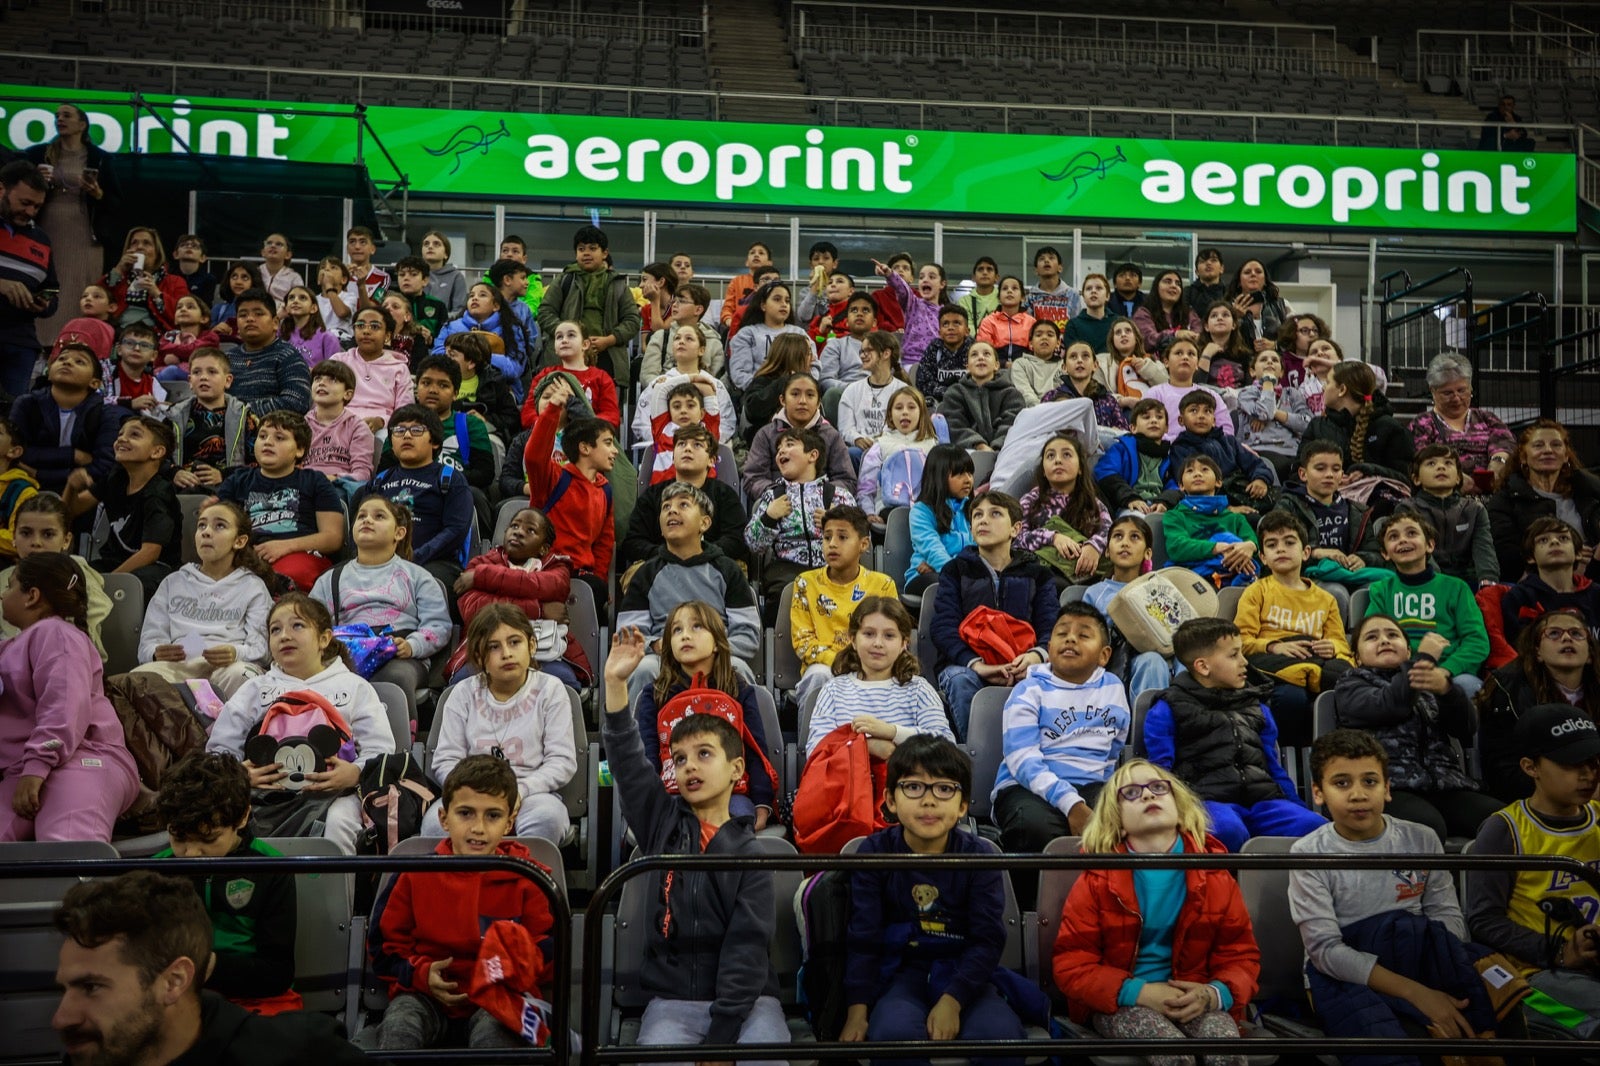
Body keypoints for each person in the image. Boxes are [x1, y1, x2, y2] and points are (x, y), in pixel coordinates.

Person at [602, 625, 791, 1056]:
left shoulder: (750, 856)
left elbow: (746, 949)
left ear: (737, 770)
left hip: (748, 1004)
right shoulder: (659, 823)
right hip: (672, 1002)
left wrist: (722, 1035)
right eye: (680, 757)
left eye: (705, 754)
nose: (690, 766)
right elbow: (628, 763)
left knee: (765, 1054)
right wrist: (615, 684)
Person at [1290, 730, 1518, 1057]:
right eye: (1341, 783)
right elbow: (1325, 951)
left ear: (1387, 789)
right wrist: (1416, 993)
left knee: (1502, 992)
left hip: (1422, 952)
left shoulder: (1422, 839)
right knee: (1394, 1043)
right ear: (1318, 793)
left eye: (1369, 781)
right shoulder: (1307, 852)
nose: (1357, 794)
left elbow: (1449, 918)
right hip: (1343, 973)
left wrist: (1430, 964)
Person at [1054, 760, 1260, 1060]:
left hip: (1195, 997)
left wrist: (1213, 994)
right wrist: (1140, 993)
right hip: (1122, 1001)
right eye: (1132, 793)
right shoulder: (1096, 879)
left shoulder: (1215, 874)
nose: (1148, 796)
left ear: (1179, 806)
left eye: (1158, 788)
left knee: (1224, 1051)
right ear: (1118, 820)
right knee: (1174, 1055)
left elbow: (1241, 956)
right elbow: (1072, 964)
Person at [52, 870, 371, 1063]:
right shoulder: (92, 1055)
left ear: (174, 981)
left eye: (91, 987)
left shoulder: (298, 1054)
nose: (60, 1018)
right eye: (64, 990)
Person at [838, 736, 1026, 1062]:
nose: (928, 801)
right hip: (899, 973)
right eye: (913, 787)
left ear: (963, 805)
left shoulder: (980, 856)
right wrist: (857, 1011)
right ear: (890, 800)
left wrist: (952, 1000)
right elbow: (864, 937)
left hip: (966, 974)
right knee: (893, 1037)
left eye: (944, 789)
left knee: (1001, 1038)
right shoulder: (873, 853)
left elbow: (986, 940)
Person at [370, 755, 557, 1051]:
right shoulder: (414, 875)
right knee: (399, 1028)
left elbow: (549, 951)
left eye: (493, 816)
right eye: (466, 813)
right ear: (444, 818)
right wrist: (421, 974)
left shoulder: (529, 878)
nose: (478, 828)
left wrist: (517, 964)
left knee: (494, 1040)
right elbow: (383, 950)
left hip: (499, 998)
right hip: (423, 996)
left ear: (510, 822)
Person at [207, 593, 395, 853]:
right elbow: (218, 751)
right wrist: (240, 776)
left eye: (297, 625)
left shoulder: (354, 687)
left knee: (339, 823)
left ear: (324, 639)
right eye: (275, 630)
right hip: (263, 796)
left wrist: (354, 773)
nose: (285, 635)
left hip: (335, 794)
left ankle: (335, 894)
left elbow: (381, 749)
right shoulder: (253, 690)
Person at [1467, 705, 1600, 1038]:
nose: (1588, 773)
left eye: (1594, 761)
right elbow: (1483, 920)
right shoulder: (1505, 829)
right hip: (1536, 974)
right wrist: (1559, 948)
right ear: (1530, 767)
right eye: (1571, 763)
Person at [1143, 617, 1326, 851]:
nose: (1244, 662)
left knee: (1317, 828)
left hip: (1263, 801)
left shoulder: (1257, 706)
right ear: (1203, 666)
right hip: (1205, 801)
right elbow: (1161, 770)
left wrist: (1296, 806)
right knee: (1229, 831)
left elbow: (1273, 766)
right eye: (1234, 655)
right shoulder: (1168, 707)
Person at [0, 551, 138, 841]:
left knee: (68, 850)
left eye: (10, 586)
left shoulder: (57, 633)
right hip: (24, 769)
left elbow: (63, 707)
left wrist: (36, 768)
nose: (3, 595)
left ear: (31, 596)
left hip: (82, 759)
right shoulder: (10, 647)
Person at [1333, 615, 1501, 843]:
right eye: (1372, 637)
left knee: (1504, 823)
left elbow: (1466, 729)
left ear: (1408, 651)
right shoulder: (1351, 684)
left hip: (1446, 784)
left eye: (1392, 635)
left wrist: (1448, 691)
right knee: (1425, 830)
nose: (1384, 641)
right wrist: (1425, 660)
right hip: (1389, 788)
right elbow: (1394, 704)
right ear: (1357, 657)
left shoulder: (1429, 685)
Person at [154, 751, 300, 1014]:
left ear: (243, 817)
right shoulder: (155, 871)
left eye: (209, 840)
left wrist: (207, 966)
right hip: (177, 995)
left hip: (254, 1000)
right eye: (179, 839)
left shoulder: (272, 868)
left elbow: (277, 973)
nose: (191, 854)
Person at [424, 606, 576, 842]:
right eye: (494, 647)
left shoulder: (551, 690)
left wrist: (520, 791)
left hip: (531, 793)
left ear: (532, 646)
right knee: (435, 824)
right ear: (479, 657)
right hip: (471, 793)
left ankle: (527, 879)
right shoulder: (462, 694)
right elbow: (446, 760)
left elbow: (561, 761)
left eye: (515, 642)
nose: (506, 653)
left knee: (547, 818)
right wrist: (475, 795)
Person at [992, 605, 1129, 853]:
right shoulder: (1028, 689)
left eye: (1084, 635)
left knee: (1124, 824)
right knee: (1034, 827)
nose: (1071, 638)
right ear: (1049, 647)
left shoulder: (1113, 688)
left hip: (1092, 785)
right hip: (1026, 787)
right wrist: (1072, 804)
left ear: (1104, 655)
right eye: (1062, 633)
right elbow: (1022, 759)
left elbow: (1113, 749)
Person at [630, 600, 777, 828]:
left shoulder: (738, 689)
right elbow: (647, 755)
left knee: (736, 824)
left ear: (718, 643)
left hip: (730, 794)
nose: (685, 636)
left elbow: (755, 750)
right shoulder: (655, 694)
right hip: (675, 793)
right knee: (676, 828)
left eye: (697, 627)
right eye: (677, 630)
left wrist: (762, 803)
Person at [616, 482, 761, 709]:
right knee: (643, 670)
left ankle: (743, 743)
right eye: (666, 507)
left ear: (704, 523)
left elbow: (748, 635)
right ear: (661, 528)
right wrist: (658, 646)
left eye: (683, 505)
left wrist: (709, 649)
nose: (672, 511)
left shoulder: (727, 570)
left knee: (739, 671)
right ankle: (638, 744)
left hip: (717, 656)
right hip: (662, 658)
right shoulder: (646, 574)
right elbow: (629, 635)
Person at [930, 490, 1059, 740]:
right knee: (959, 680)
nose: (983, 520)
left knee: (1044, 681)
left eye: (995, 513)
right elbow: (943, 627)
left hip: (1023, 664)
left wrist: (1035, 655)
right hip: (969, 665)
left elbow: (1051, 624)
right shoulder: (956, 570)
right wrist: (977, 664)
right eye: (977, 515)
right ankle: (977, 754)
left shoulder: (1038, 573)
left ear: (1016, 529)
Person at [312, 496, 451, 723]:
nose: (368, 520)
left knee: (394, 678)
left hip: (400, 654)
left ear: (399, 533)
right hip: (347, 654)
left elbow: (439, 625)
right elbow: (313, 626)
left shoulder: (417, 576)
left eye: (379, 516)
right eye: (361, 516)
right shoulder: (329, 580)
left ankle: (399, 748)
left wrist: (412, 645)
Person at [132, 500, 272, 700]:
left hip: (228, 667)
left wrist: (235, 652)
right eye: (202, 525)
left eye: (219, 526)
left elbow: (263, 649)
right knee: (138, 680)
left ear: (239, 541)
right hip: (177, 668)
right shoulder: (173, 582)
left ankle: (224, 729)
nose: (206, 532)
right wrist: (157, 653)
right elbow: (148, 643)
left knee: (245, 676)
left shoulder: (252, 586)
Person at [804, 594, 950, 758]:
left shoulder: (919, 690)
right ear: (853, 639)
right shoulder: (833, 690)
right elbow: (816, 751)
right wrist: (867, 746)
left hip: (904, 781)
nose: (878, 643)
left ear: (904, 643)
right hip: (849, 781)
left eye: (889, 636)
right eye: (869, 634)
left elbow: (945, 746)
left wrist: (891, 732)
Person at [1476, 609, 1600, 801]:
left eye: (1576, 633)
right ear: (1538, 652)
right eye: (1554, 633)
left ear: (1590, 654)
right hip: (1537, 802)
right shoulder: (1508, 692)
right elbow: (1505, 772)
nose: (1567, 638)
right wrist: (1577, 792)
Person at [215, 410, 345, 592]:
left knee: (292, 575)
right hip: (248, 556)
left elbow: (332, 538)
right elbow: (219, 529)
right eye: (262, 436)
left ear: (299, 450)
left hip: (299, 554)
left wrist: (285, 546)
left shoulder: (315, 481)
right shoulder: (237, 480)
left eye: (280, 438)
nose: (268, 442)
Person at [1364, 512, 1489, 697]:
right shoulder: (1381, 591)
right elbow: (1370, 636)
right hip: (1396, 674)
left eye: (1411, 533)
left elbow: (1476, 641)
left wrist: (1445, 670)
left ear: (1430, 545)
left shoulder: (1456, 588)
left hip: (1449, 674)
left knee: (1467, 687)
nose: (1403, 540)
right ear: (1385, 553)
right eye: (1393, 537)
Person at [65, 414, 181, 601]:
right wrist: (71, 487)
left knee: (135, 583)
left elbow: (150, 552)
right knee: (71, 575)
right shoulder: (115, 477)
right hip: (114, 562)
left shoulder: (159, 493)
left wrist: (108, 582)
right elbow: (71, 510)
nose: (121, 438)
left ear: (157, 452)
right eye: (120, 434)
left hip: (157, 569)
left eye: (134, 435)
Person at [26, 105, 115, 348]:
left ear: (82, 124)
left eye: (66, 115)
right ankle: (40, 342)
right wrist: (37, 181)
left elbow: (116, 201)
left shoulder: (101, 158)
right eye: (56, 116)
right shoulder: (37, 154)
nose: (59, 119)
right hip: (47, 225)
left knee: (78, 285)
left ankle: (75, 341)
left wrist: (98, 193)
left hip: (84, 230)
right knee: (46, 281)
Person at [790, 505, 898, 706]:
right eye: (827, 537)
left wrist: (864, 663)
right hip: (824, 666)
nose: (832, 544)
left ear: (864, 544)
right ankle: (812, 738)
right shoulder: (806, 583)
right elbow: (803, 642)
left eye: (842, 537)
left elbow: (893, 634)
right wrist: (840, 661)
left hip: (871, 665)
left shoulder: (883, 585)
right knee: (818, 676)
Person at [1235, 511, 1353, 692]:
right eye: (1272, 545)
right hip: (1275, 659)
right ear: (1264, 558)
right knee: (1291, 696)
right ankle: (1309, 677)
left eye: (1289, 542)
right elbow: (1242, 641)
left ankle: (1312, 675)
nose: (1280, 549)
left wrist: (1331, 646)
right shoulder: (1256, 591)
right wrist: (1274, 647)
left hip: (1313, 656)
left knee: (1343, 673)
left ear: (1306, 552)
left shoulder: (1326, 599)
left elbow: (1340, 643)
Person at [523, 385, 616, 604]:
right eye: (608, 443)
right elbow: (534, 456)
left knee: (597, 591)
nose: (615, 451)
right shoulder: (555, 478)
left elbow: (604, 543)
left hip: (582, 579)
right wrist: (553, 408)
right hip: (544, 570)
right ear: (585, 448)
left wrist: (599, 579)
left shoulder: (605, 490)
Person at [1486, 419, 1600, 583]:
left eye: (1556, 445)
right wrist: (1567, 553)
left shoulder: (1589, 493)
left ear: (1566, 455)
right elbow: (1506, 553)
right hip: (1534, 582)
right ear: (1523, 457)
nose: (1548, 450)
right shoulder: (1506, 499)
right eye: (1538, 445)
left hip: (1593, 577)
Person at [620, 423, 747, 570]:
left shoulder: (724, 495)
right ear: (673, 458)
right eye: (681, 444)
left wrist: (699, 554)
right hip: (660, 565)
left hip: (713, 564)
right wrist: (668, 555)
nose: (687, 448)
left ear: (711, 460)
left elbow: (736, 539)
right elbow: (633, 541)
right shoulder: (653, 495)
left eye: (697, 445)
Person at [0, 492, 109, 657]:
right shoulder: (3, 578)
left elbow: (87, 649)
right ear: (13, 537)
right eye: (26, 533)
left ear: (66, 540)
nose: (35, 542)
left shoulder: (78, 577)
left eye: (48, 534)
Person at [13, 332, 124, 493]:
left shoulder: (106, 414)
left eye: (79, 362)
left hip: (81, 494)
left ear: (94, 383)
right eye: (62, 359)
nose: (68, 363)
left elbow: (105, 466)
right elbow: (15, 452)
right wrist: (73, 455)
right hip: (26, 487)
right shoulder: (26, 404)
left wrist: (40, 474)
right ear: (49, 373)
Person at [1273, 441, 1385, 596]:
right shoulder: (1288, 507)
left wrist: (1362, 559)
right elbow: (1277, 549)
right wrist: (1316, 553)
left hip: (1350, 575)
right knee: (1335, 592)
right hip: (1306, 576)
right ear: (1303, 474)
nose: (1329, 475)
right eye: (1320, 468)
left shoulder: (1358, 511)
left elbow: (1377, 553)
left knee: (1375, 590)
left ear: (1342, 475)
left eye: (1336, 469)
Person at [1084, 515, 1176, 702]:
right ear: (1107, 551)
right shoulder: (1095, 593)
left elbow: (1175, 637)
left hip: (1153, 660)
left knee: (1153, 661)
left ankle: (1151, 727)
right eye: (1118, 536)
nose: (1125, 543)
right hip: (1110, 663)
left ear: (1148, 553)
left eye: (1134, 537)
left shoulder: (1160, 590)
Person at [535, 225, 640, 384]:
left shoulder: (617, 285)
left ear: (605, 253)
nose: (586, 253)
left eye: (592, 248)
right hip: (565, 356)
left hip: (607, 356)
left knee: (604, 407)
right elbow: (545, 312)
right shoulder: (564, 280)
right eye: (581, 249)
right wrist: (568, 336)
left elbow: (632, 320)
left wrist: (609, 340)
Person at [1407, 352, 1514, 490]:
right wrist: (1456, 478)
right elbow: (1422, 460)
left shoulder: (1487, 419)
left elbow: (1505, 444)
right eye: (1448, 393)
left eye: (1462, 390)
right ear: (1433, 391)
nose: (1457, 399)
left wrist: (1498, 462)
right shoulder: (1422, 424)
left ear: (1470, 387)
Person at [1013, 430, 1109, 584]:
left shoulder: (1093, 503)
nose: (1057, 460)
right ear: (1043, 470)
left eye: (1066, 455)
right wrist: (1053, 538)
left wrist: (1094, 547)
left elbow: (1109, 531)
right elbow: (1015, 538)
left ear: (1080, 468)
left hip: (1088, 574)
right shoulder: (1030, 500)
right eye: (1050, 456)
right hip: (1043, 573)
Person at [742, 371, 855, 502]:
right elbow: (753, 478)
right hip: (778, 506)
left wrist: (820, 495)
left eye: (810, 395)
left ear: (819, 402)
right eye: (795, 394)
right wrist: (780, 494)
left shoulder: (831, 436)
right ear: (782, 400)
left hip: (821, 511)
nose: (802, 401)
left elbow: (847, 480)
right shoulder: (766, 435)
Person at [1399, 443, 1498, 587]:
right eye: (1431, 463)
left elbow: (1484, 550)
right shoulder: (1407, 509)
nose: (1441, 467)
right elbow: (1419, 555)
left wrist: (1488, 583)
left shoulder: (1474, 509)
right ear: (1416, 479)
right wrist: (1441, 584)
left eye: (1448, 463)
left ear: (1458, 478)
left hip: (1468, 581)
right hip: (1427, 582)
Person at [0, 161, 58, 400]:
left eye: (37, 206)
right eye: (25, 203)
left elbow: (52, 291)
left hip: (21, 344)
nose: (31, 212)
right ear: (2, 190)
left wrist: (45, 304)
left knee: (11, 423)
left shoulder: (42, 239)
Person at [1301, 360, 1414, 483]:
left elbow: (1406, 478)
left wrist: (1368, 472)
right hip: (1325, 499)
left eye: (1328, 383)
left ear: (1342, 389)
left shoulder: (1390, 428)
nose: (1323, 388)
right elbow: (1298, 472)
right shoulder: (1317, 426)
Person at [1498, 518, 1600, 651]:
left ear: (1578, 553)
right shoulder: (1519, 597)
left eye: (1563, 538)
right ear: (1530, 557)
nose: (1554, 542)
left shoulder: (1596, 594)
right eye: (1543, 540)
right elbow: (1521, 649)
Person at [1167, 390, 1272, 514]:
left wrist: (1261, 479)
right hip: (1214, 505)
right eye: (1194, 410)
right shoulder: (1180, 449)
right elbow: (1191, 486)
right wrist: (1225, 509)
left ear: (1214, 420)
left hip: (1246, 493)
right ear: (1181, 420)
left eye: (1207, 411)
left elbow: (1255, 464)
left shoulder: (1229, 442)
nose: (1201, 416)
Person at [1162, 455, 1259, 588]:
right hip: (1192, 581)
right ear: (1181, 486)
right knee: (1226, 538)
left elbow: (1252, 541)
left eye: (1205, 469)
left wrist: (1249, 547)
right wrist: (1216, 548)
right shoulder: (1175, 516)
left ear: (1218, 482)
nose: (1197, 474)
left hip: (1233, 575)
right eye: (1190, 471)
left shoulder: (1235, 518)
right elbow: (1177, 547)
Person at [165, 347, 253, 492]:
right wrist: (174, 472)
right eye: (196, 372)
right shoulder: (174, 415)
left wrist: (223, 475)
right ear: (190, 381)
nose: (203, 377)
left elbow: (258, 463)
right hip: (182, 489)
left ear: (228, 381)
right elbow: (157, 455)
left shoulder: (244, 417)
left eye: (212, 372)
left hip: (229, 489)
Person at [221, 288, 313, 416]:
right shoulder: (227, 358)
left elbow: (296, 402)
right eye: (243, 315)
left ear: (275, 323)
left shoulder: (288, 356)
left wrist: (243, 414)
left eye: (258, 314)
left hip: (271, 431)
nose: (250, 319)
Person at [523, 318, 620, 431]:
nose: (564, 340)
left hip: (588, 438)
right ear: (555, 348)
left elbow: (611, 416)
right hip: (549, 437)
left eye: (571, 335)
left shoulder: (601, 377)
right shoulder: (545, 375)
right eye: (559, 337)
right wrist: (546, 426)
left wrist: (586, 427)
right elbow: (528, 413)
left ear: (585, 344)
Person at [905, 443, 974, 595]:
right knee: (946, 585)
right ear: (939, 476)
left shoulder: (973, 510)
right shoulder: (921, 511)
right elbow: (933, 550)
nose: (968, 479)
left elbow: (978, 550)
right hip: (923, 576)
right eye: (959, 474)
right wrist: (950, 570)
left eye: (970, 473)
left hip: (960, 574)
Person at [331, 305, 413, 432]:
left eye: (374, 326)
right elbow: (324, 401)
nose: (366, 331)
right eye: (360, 325)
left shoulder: (399, 368)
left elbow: (405, 411)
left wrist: (381, 421)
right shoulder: (339, 361)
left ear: (387, 336)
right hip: (339, 424)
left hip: (382, 429)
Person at [305, 359, 376, 501]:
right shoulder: (300, 425)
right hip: (304, 484)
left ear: (347, 394)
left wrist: (335, 478)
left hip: (338, 487)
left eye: (332, 380)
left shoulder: (358, 427)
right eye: (317, 378)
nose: (322, 383)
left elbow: (362, 473)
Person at [1234, 348, 1309, 481]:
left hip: (1290, 452)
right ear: (1252, 371)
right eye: (1263, 360)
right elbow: (1264, 413)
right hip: (1257, 451)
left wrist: (1276, 413)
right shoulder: (1247, 393)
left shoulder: (1292, 393)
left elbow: (1307, 424)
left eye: (1274, 360)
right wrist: (1268, 383)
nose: (1269, 362)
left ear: (1281, 373)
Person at [1093, 399, 1175, 516]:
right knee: (1138, 519)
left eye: (1159, 417)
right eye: (1146, 417)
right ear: (1133, 428)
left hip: (1158, 506)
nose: (1153, 421)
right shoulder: (1121, 448)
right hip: (1128, 506)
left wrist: (1165, 501)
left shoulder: (1169, 456)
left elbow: (1175, 486)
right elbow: (1105, 471)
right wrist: (1130, 497)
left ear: (1166, 428)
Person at [837, 327, 909, 460]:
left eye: (869, 350)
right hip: (859, 450)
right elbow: (845, 428)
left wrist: (881, 444)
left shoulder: (903, 391)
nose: (863, 355)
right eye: (862, 351)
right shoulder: (852, 390)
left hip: (892, 450)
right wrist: (857, 438)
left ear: (886, 353)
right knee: (851, 453)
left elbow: (906, 428)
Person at [939, 341, 1025, 452]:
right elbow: (955, 425)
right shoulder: (954, 393)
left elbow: (1011, 424)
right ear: (967, 367)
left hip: (1005, 451)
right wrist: (979, 445)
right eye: (974, 355)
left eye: (986, 354)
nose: (980, 358)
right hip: (967, 452)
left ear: (996, 365)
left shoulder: (1012, 394)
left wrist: (997, 447)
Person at [101, 226, 188, 333]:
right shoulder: (120, 278)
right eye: (134, 243)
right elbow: (96, 298)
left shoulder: (175, 281)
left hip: (156, 335)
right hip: (119, 332)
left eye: (146, 243)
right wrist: (119, 269)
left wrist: (156, 293)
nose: (139, 247)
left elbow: (182, 316)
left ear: (157, 252)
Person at [728, 279, 809, 392]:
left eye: (787, 300)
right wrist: (768, 390)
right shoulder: (747, 334)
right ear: (763, 305)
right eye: (777, 299)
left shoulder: (800, 333)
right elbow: (740, 374)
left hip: (797, 393)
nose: (784, 304)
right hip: (759, 395)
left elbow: (813, 367)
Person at [640, 281, 724, 382]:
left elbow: (716, 380)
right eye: (674, 301)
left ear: (698, 310)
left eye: (682, 301)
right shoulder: (660, 336)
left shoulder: (714, 342)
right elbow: (648, 376)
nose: (674, 305)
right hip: (664, 392)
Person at [874, 256, 947, 366]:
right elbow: (902, 290)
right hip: (910, 362)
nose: (925, 280)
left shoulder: (947, 313)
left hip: (936, 363)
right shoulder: (913, 303)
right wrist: (889, 273)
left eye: (931, 277)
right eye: (922, 277)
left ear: (942, 284)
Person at [1224, 259, 1290, 353]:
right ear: (1239, 282)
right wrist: (1235, 318)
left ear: (1265, 280)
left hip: (1274, 362)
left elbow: (1296, 338)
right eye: (1247, 272)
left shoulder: (1282, 305)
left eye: (1258, 271)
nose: (1253, 274)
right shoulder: (1226, 308)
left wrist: (1275, 345)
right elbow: (1219, 340)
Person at [914, 304, 974, 405]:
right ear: (939, 332)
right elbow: (923, 383)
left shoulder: (975, 350)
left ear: (967, 331)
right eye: (945, 324)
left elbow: (983, 381)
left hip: (970, 402)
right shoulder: (933, 349)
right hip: (939, 404)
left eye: (956, 323)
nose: (950, 328)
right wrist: (949, 393)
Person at [1133, 269, 1202, 355]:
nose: (1174, 286)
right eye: (1167, 282)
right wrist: (1175, 335)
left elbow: (1199, 335)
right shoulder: (1143, 313)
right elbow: (1148, 339)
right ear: (1156, 287)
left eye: (1178, 284)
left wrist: (1194, 336)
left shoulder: (1189, 313)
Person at [977, 275, 1036, 366]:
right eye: (1005, 288)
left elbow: (1036, 351)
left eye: (1014, 288)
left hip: (1025, 369)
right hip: (995, 369)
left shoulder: (1031, 322)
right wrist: (1004, 364)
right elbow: (984, 351)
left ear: (1022, 297)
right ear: (999, 298)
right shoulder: (988, 322)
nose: (1009, 291)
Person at [719, 240, 775, 334]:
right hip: (740, 325)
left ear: (769, 263)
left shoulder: (774, 282)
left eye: (761, 253)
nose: (756, 255)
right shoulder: (736, 281)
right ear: (747, 262)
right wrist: (729, 320)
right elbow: (727, 308)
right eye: (752, 253)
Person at [393, 256, 448, 349]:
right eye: (401, 274)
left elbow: (444, 340)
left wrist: (431, 338)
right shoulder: (389, 304)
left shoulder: (438, 305)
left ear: (425, 280)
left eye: (413, 274)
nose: (406, 278)